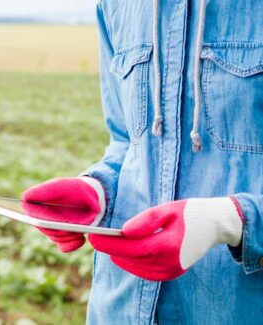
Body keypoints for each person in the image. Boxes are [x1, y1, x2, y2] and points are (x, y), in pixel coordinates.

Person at [22, 0, 263, 323]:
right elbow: (126, 142)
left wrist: (228, 221)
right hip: (119, 308)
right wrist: (96, 189)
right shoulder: (115, 6)